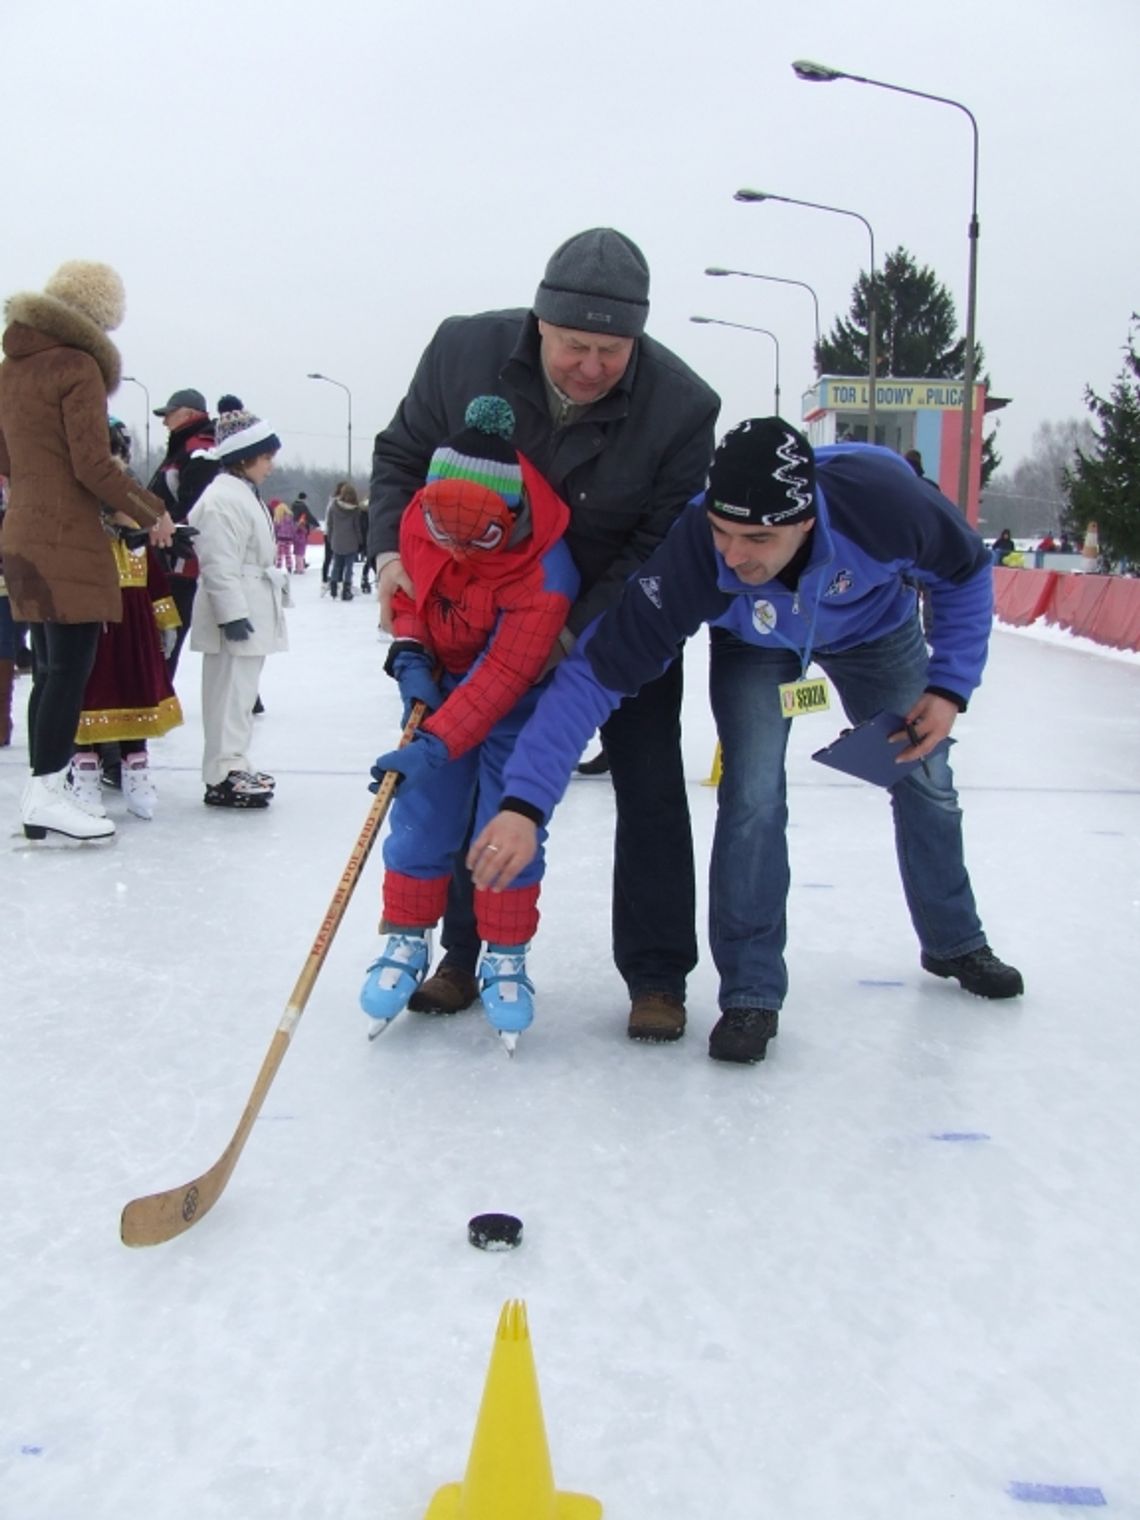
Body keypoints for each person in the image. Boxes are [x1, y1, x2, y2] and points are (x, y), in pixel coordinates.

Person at [470, 417, 1024, 1065]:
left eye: (758, 538)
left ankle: (954, 940)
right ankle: (751, 992)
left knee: (926, 779)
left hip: (876, 629)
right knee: (753, 797)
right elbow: (596, 674)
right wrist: (524, 805)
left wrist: (950, 686)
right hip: (756, 644)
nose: (734, 556)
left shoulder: (884, 504)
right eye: (723, 532)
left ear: (806, 521)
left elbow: (965, 572)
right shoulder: (696, 553)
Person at [369, 227, 719, 1041]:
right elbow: (400, 457)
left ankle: (658, 974)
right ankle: (462, 956)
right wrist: (392, 553)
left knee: (651, 786)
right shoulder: (463, 352)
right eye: (574, 346)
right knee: (457, 773)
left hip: (616, 620)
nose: (591, 366)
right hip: (473, 620)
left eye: (612, 349)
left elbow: (656, 545)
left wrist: (569, 637)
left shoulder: (682, 405)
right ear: (539, 323)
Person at [360, 396, 578, 1043]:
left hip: (516, 699)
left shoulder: (546, 568)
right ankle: (405, 940)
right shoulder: (423, 520)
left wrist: (435, 741)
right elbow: (412, 597)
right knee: (421, 815)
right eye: (442, 534)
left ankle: (506, 954)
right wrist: (409, 655)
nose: (454, 551)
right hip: (441, 684)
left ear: (509, 518)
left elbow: (505, 675)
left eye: (476, 538)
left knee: (500, 833)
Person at [0, 259, 173, 842]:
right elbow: (92, 464)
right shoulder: (76, 366)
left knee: (48, 672)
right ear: (98, 317)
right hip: (66, 541)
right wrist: (153, 512)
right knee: (68, 673)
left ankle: (39, 792)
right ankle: (48, 791)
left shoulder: (10, 368)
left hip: (22, 534)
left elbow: (6, 459)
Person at [70, 417, 183, 821]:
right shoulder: (78, 516)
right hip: (91, 619)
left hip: (132, 624)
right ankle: (84, 772)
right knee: (89, 695)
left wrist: (164, 618)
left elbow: (152, 572)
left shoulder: (134, 515)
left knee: (135, 691)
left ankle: (136, 769)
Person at [187, 406, 289, 808]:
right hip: (238, 609)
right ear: (245, 456)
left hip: (252, 603)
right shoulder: (222, 500)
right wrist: (232, 615)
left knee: (241, 694)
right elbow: (217, 562)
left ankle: (233, 761)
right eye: (266, 457)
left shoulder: (240, 493)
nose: (270, 465)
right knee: (228, 694)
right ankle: (222, 773)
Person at [148, 386, 219, 675]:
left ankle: (159, 688)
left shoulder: (199, 449)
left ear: (189, 414)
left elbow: (196, 503)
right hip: (170, 551)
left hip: (181, 555)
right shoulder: (184, 447)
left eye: (169, 415)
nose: (165, 422)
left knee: (171, 625)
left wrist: (166, 527)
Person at [326, 482, 366, 599]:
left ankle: (333, 587)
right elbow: (357, 528)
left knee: (336, 565)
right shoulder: (355, 510)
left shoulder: (333, 506)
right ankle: (346, 590)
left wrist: (330, 538)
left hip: (336, 541)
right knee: (349, 567)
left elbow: (330, 524)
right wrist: (360, 541)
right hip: (351, 542)